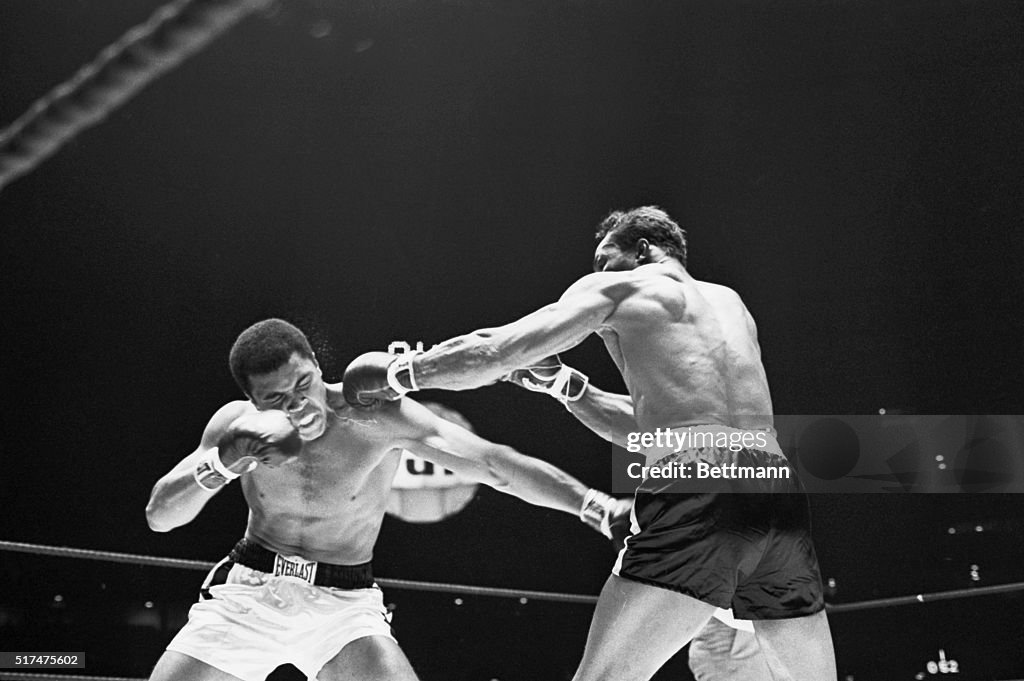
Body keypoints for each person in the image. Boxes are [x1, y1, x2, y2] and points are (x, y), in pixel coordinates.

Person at [343, 206, 837, 681]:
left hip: (696, 483)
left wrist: (400, 373)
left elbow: (498, 351)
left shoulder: (620, 287)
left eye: (604, 259)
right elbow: (667, 432)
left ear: (642, 249)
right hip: (774, 483)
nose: (597, 271)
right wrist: (566, 387)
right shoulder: (730, 302)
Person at [144, 318, 629, 681]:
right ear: (252, 403)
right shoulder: (233, 426)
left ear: (316, 366)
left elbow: (494, 465)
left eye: (303, 383)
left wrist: (596, 507)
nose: (297, 403)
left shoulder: (375, 416)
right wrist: (224, 463)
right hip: (249, 593)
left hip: (344, 605)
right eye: (276, 399)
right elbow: (160, 516)